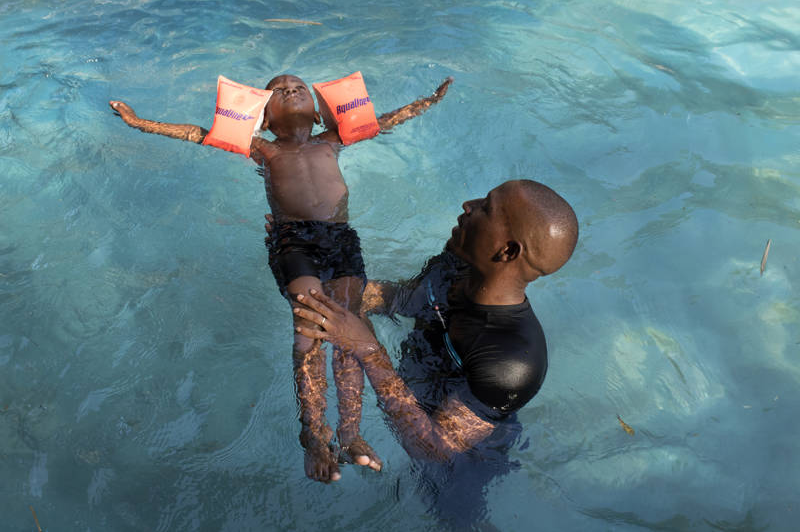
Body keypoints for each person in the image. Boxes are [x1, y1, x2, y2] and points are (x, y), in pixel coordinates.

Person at [109, 74, 453, 483]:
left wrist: (427, 101)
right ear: (265, 118)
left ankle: (350, 434)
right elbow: (195, 132)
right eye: (279, 89)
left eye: (299, 86)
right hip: (294, 240)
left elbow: (388, 119)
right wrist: (139, 122)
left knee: (349, 327)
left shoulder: (333, 140)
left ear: (315, 108)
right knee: (309, 324)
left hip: (341, 241)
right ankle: (313, 433)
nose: (291, 88)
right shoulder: (264, 148)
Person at [291, 179, 577, 523]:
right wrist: (332, 295)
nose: (467, 205)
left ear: (508, 251)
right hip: (417, 391)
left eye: (486, 207)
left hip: (467, 458)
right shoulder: (455, 263)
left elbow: (435, 450)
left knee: (450, 514)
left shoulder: (512, 362)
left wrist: (366, 348)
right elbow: (405, 299)